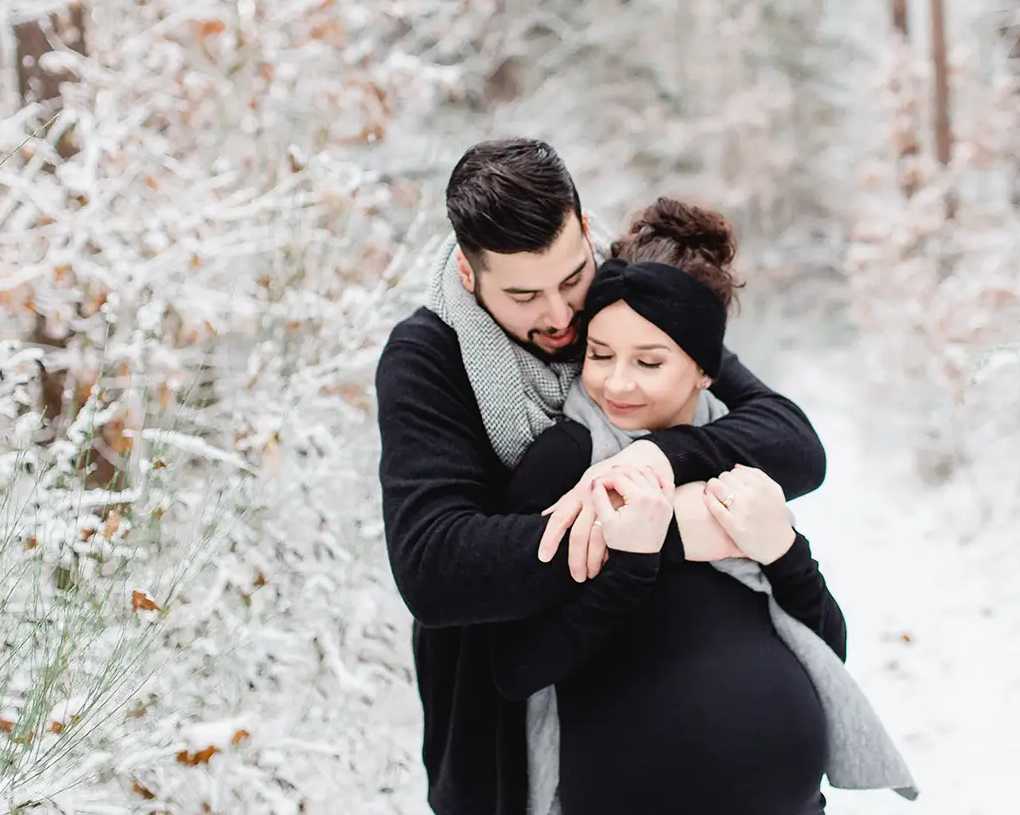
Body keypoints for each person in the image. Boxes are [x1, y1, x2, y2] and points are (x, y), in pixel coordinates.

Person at [374, 138, 829, 815]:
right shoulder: (428, 357)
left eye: (568, 280)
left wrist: (661, 459)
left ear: (585, 234)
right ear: (470, 275)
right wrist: (660, 530)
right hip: (500, 745)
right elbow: (434, 567)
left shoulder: (624, 301)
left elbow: (791, 441)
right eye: (523, 295)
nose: (561, 317)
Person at [490, 198, 914, 815]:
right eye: (600, 355)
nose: (618, 382)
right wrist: (631, 564)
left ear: (706, 371)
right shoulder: (569, 463)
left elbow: (825, 650)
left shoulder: (742, 453)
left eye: (649, 361)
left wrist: (786, 553)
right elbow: (515, 668)